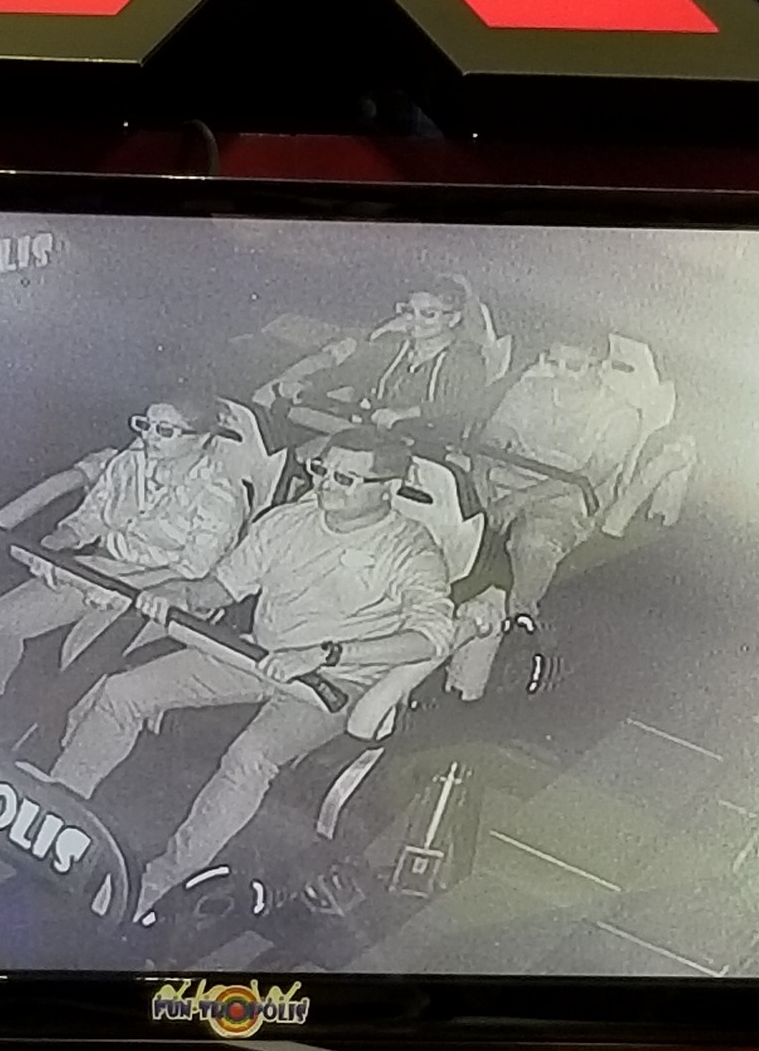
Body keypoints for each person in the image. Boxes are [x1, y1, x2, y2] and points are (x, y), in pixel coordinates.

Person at [46, 424, 458, 921]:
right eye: (322, 470)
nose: (325, 484)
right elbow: (223, 585)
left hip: (334, 682)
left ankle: (162, 878)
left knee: (251, 755)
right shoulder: (287, 521)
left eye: (346, 479)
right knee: (122, 692)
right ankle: (57, 809)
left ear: (388, 488)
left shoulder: (411, 549)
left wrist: (328, 653)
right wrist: (181, 594)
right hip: (260, 655)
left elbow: (433, 636)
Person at [0, 397, 247, 699]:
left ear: (201, 439)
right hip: (104, 568)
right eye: (146, 425)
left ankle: (68, 725)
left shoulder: (219, 496)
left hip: (167, 590)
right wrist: (52, 546)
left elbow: (193, 572)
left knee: (81, 655)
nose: (149, 436)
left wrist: (120, 589)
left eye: (165, 430)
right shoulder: (129, 463)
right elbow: (91, 519)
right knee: (1, 620)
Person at [472, 342, 641, 622]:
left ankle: (521, 618)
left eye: (573, 366)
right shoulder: (529, 390)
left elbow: (590, 476)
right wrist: (481, 479)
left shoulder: (621, 415)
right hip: (505, 482)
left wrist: (518, 500)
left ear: (600, 365)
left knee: (535, 543)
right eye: (553, 363)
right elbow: (492, 439)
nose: (561, 373)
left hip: (565, 501)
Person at [254, 276, 508, 432]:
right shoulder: (399, 347)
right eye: (409, 311)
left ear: (453, 319)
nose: (414, 321)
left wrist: (404, 414)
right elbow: (353, 372)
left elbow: (457, 406)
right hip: (372, 434)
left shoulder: (465, 360)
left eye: (428, 314)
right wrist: (307, 384)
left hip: (424, 450)